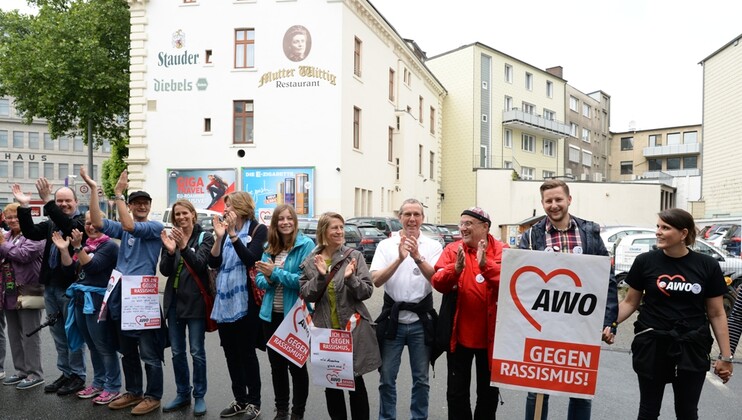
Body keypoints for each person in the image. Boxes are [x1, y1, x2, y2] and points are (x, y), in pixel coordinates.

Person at [608, 208, 733, 420]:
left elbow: (717, 313)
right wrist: (610, 323)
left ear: (683, 233)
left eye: (665, 228)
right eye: (658, 226)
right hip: (652, 344)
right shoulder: (645, 262)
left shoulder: (707, 265)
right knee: (648, 411)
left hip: (691, 346)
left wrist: (726, 357)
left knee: (686, 412)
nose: (658, 232)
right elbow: (629, 302)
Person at [519, 179, 618, 420]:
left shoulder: (589, 233)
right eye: (548, 201)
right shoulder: (531, 236)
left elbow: (607, 279)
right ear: (542, 203)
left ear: (569, 200)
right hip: (544, 326)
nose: (554, 205)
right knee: (537, 390)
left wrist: (609, 321)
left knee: (580, 389)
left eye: (558, 199)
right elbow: (522, 282)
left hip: (581, 324)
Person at [86, 169, 166, 415]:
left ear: (150, 206)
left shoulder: (154, 227)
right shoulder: (123, 228)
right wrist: (92, 189)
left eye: (145, 202)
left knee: (149, 353)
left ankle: (153, 396)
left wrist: (119, 193)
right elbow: (98, 223)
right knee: (128, 351)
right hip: (122, 295)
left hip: (143, 298)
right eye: (137, 202)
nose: (142, 206)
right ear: (130, 206)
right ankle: (133, 391)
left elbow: (130, 225)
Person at [300, 212, 381, 420]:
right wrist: (320, 276)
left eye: (341, 227)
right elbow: (306, 293)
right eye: (334, 227)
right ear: (323, 232)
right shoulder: (311, 261)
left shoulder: (354, 256)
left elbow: (366, 292)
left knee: (355, 383)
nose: (339, 231)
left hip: (351, 330)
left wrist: (352, 278)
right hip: (326, 333)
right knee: (332, 383)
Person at [12, 181, 87, 396]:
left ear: (76, 202)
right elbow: (31, 232)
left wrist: (48, 201)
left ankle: (78, 375)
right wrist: (25, 207)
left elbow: (68, 228)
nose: (63, 204)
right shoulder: (52, 223)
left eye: (67, 201)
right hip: (51, 287)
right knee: (58, 335)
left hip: (71, 288)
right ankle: (65, 372)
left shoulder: (80, 223)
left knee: (73, 334)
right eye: (59, 200)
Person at [432, 207, 507, 420]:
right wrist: (454, 270)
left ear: (485, 227)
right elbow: (437, 283)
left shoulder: (502, 250)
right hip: (459, 337)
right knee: (456, 393)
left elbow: (510, 283)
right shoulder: (453, 249)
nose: (463, 228)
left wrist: (486, 265)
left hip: (491, 339)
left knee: (488, 394)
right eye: (461, 223)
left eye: (468, 224)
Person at [371, 199, 442, 420]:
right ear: (400, 217)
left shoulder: (433, 246)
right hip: (394, 320)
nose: (412, 219)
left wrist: (417, 257)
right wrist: (400, 259)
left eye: (417, 214)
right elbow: (376, 280)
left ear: (423, 218)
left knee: (421, 379)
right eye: (407, 214)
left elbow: (437, 281)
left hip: (420, 322)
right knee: (387, 378)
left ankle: (419, 417)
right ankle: (387, 417)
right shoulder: (385, 245)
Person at [51, 212, 121, 404]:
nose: (91, 226)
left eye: (94, 223)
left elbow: (92, 267)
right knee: (91, 345)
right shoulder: (87, 245)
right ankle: (98, 382)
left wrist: (78, 247)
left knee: (104, 346)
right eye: (87, 223)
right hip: (81, 299)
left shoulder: (109, 246)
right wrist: (65, 250)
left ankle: (113, 386)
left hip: (98, 301)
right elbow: (69, 270)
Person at [208, 191, 267, 419]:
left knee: (246, 354)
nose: (225, 210)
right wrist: (219, 237)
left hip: (247, 303)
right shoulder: (224, 232)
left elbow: (251, 258)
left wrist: (232, 234)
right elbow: (213, 262)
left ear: (242, 208)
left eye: (229, 206)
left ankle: (254, 401)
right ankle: (239, 399)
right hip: (225, 301)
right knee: (231, 354)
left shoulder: (258, 230)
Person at [255, 204, 314, 420]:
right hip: (271, 316)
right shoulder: (270, 245)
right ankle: (281, 410)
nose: (285, 222)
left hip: (295, 317)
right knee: (276, 367)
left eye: (289, 218)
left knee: (296, 367)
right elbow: (260, 279)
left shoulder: (307, 245)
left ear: (295, 221)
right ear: (275, 223)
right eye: (281, 219)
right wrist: (269, 277)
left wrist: (275, 272)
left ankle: (297, 413)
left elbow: (304, 282)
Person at [159, 199, 215, 417]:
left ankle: (199, 395)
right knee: (177, 352)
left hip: (195, 303)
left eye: (184, 213)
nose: (181, 218)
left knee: (197, 352)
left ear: (193, 214)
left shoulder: (205, 237)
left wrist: (183, 246)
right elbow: (164, 271)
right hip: (173, 302)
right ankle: (183, 393)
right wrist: (171, 252)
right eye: (177, 215)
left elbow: (200, 264)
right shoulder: (170, 237)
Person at [0, 203, 45, 390]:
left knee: (30, 334)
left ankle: (35, 373)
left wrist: (3, 244)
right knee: (13, 333)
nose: (12, 220)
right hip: (8, 289)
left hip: (29, 290)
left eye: (16, 217)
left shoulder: (35, 235)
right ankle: (21, 371)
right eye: (9, 217)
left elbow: (23, 254)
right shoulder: (7, 236)